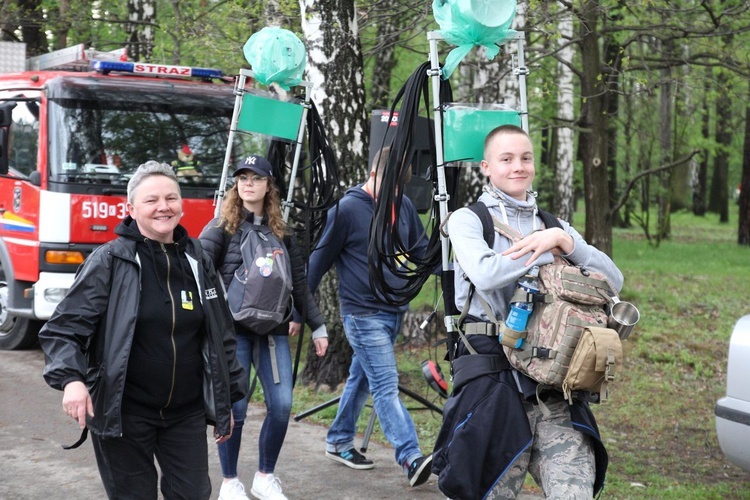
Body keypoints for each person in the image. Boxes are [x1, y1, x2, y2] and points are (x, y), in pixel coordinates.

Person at [39, 160, 248, 500]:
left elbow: (220, 334)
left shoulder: (198, 259)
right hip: (124, 414)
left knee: (193, 494)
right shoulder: (110, 260)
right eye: (151, 200)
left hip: (186, 413)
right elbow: (63, 330)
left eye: (171, 198)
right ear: (132, 208)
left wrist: (227, 401)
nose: (163, 207)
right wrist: (72, 380)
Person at [436, 124, 624, 498]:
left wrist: (564, 241)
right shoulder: (468, 219)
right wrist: (541, 253)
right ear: (486, 166)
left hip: (552, 384)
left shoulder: (552, 224)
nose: (517, 166)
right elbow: (486, 273)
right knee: (490, 490)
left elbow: (613, 279)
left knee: (575, 491)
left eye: (525, 158)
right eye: (506, 159)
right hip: (493, 382)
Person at [296, 147, 433, 488]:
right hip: (361, 313)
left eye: (398, 190)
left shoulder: (400, 205)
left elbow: (422, 250)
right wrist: (299, 311)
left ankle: (339, 439)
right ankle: (410, 456)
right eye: (389, 188)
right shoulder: (346, 210)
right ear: (373, 174)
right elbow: (317, 263)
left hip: (393, 311)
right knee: (386, 385)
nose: (395, 197)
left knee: (361, 378)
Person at [199, 154, 329, 500]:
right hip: (233, 333)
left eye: (255, 178)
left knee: (282, 404)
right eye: (242, 178)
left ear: (269, 184)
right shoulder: (219, 228)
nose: (248, 183)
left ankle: (264, 477)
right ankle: (229, 482)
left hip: (272, 333)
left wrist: (317, 325)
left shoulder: (282, 234)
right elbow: (199, 274)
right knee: (236, 408)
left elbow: (299, 284)